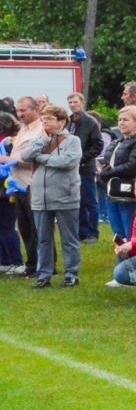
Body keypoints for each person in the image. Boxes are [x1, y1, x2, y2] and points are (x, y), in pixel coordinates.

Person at [20, 104, 83, 288]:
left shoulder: (72, 141)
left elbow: (68, 161)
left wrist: (42, 158)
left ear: (61, 121)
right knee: (43, 239)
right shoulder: (40, 140)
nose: (45, 122)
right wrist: (42, 142)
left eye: (49, 119)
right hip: (40, 198)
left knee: (69, 239)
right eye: (43, 119)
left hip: (65, 196)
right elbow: (25, 155)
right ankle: (44, 275)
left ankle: (71, 274)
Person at [98, 107, 136, 243]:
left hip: (128, 191)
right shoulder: (116, 142)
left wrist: (108, 173)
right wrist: (102, 170)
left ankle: (133, 255)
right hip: (111, 190)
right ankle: (121, 255)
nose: (121, 122)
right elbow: (109, 163)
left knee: (129, 229)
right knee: (117, 232)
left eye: (125, 120)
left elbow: (133, 166)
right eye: (119, 120)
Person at [10, 96, 46, 277]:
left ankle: (45, 265)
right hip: (18, 184)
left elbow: (38, 158)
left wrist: (10, 160)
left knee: (37, 227)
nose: (19, 114)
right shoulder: (23, 128)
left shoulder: (41, 130)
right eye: (18, 110)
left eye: (23, 110)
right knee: (24, 227)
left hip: (33, 183)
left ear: (35, 110)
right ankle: (31, 264)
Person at [66, 92, 103, 241]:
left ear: (82, 103)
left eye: (75, 102)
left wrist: (82, 158)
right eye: (70, 102)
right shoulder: (69, 121)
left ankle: (93, 232)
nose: (72, 105)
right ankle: (82, 232)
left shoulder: (90, 122)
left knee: (90, 201)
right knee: (78, 201)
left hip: (86, 167)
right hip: (71, 168)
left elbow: (97, 144)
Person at [0, 112, 24, 275]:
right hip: (4, 189)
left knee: (7, 226)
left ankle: (16, 261)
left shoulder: (10, 142)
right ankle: (4, 260)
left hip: (7, 189)